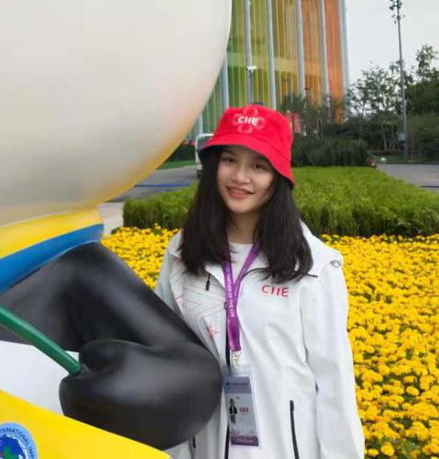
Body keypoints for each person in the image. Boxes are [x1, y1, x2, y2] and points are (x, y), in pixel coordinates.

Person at [155, 106, 364, 458]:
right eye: (229, 160)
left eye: (259, 166)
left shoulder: (312, 266)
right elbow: (163, 358)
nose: (240, 177)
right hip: (204, 446)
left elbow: (334, 382)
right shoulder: (182, 252)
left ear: (278, 176)